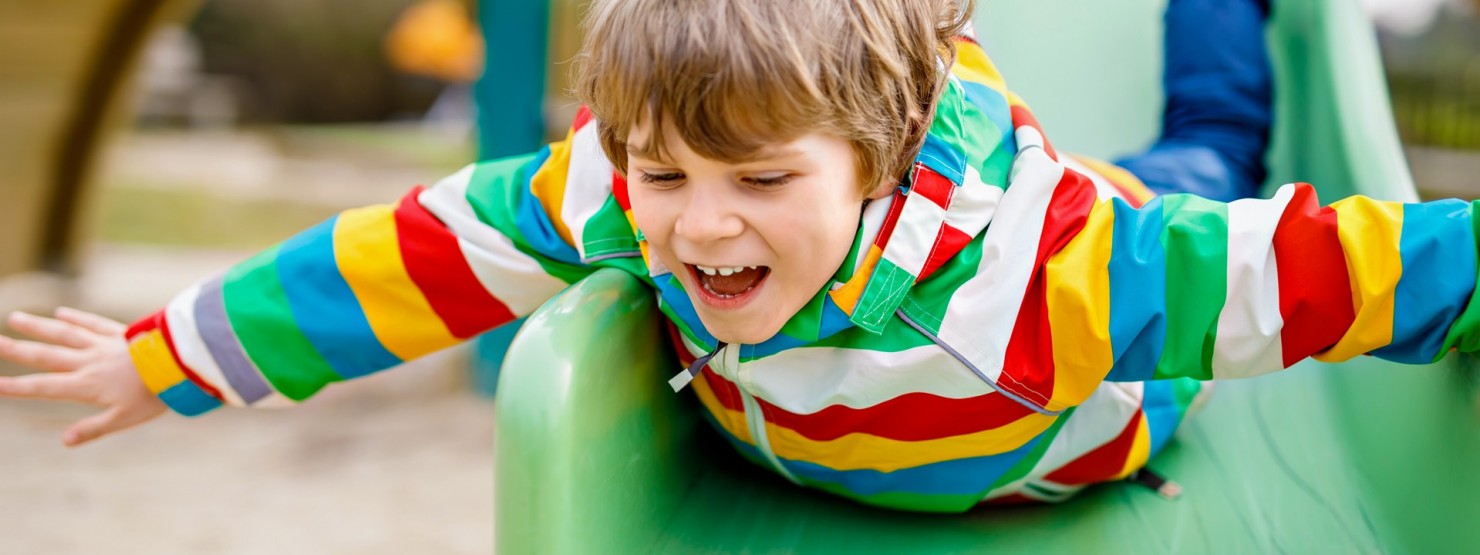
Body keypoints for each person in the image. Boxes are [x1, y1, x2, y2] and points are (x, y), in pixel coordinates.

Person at [1, 0, 1475, 513]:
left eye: (760, 181)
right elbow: (413, 258)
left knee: (1209, 154)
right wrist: (175, 356)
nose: (699, 224)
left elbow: (1340, 270)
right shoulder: (625, 178)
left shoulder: (1062, 277)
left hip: (1078, 405)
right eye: (666, 177)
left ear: (884, 158)